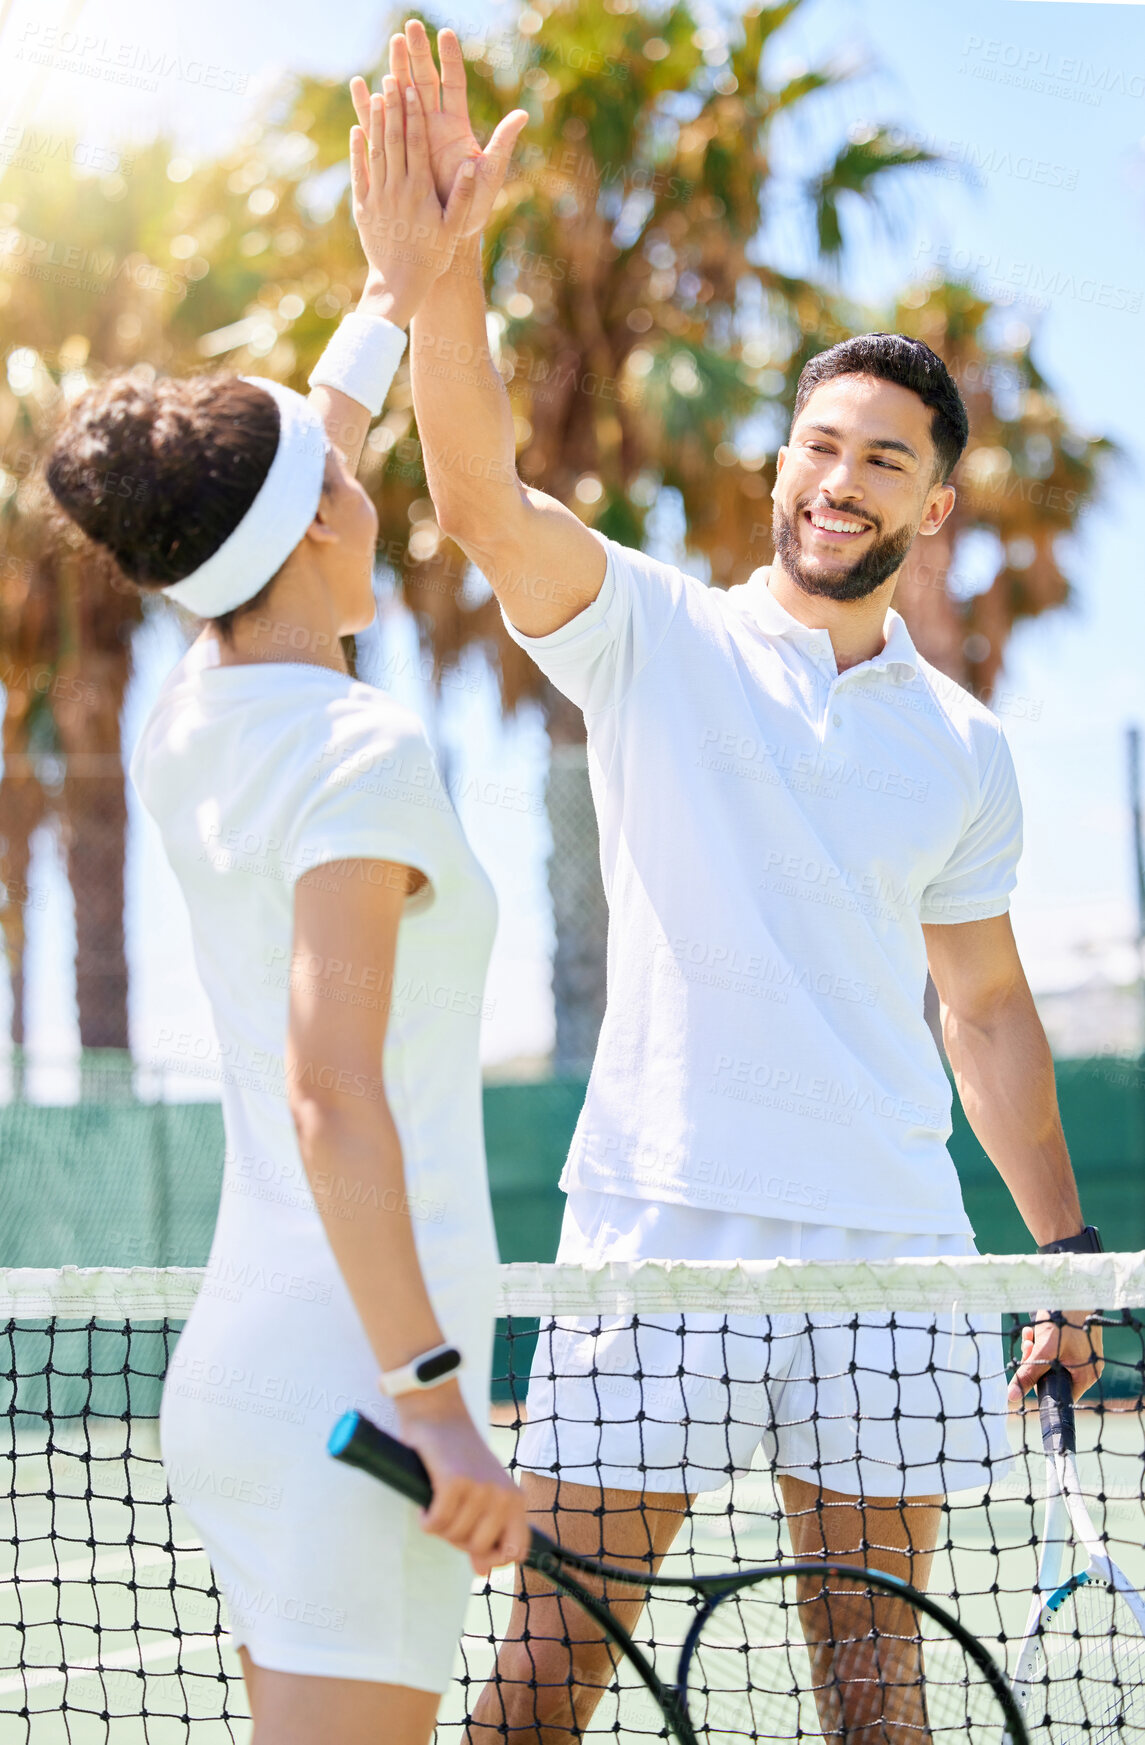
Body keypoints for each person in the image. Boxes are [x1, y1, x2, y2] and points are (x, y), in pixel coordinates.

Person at [379, 20, 1104, 1743]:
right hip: (662, 1233)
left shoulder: (966, 747)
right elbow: (477, 495)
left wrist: (1065, 1254)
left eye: (880, 458)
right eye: (815, 442)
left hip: (891, 1258)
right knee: (538, 1684)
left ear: (933, 509)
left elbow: (984, 1007)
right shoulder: (657, 634)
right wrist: (441, 273)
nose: (833, 477)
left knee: (877, 1698)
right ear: (779, 462)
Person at [43, 71, 529, 1745]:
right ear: (323, 511)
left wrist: (399, 288)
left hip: (261, 1380)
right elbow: (334, 1102)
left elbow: (309, 449)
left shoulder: (194, 707)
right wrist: (440, 1405)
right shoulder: (356, 745)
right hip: (362, 1403)